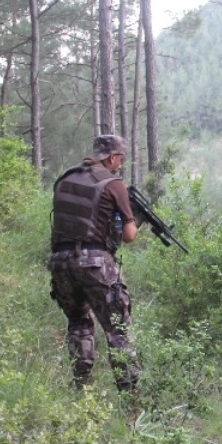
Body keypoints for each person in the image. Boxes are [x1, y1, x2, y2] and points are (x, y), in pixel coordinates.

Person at [48, 134, 141, 392]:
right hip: (95, 262)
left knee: (79, 324)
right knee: (118, 330)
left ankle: (81, 389)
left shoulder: (65, 178)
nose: (120, 164)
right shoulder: (113, 183)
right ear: (112, 157)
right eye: (120, 159)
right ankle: (130, 398)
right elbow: (129, 236)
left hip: (60, 264)